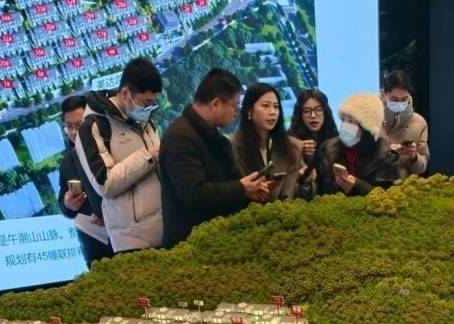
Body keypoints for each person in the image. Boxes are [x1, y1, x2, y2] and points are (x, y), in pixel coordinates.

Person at [160, 69, 269, 248]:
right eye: (235, 106)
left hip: (219, 239)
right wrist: (241, 187)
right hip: (192, 245)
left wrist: (249, 190)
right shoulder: (180, 137)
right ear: (216, 103)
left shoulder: (212, 135)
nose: (236, 113)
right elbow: (195, 194)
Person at [76, 57, 163, 253]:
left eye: (153, 103)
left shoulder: (144, 119)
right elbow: (105, 184)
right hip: (133, 241)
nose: (149, 108)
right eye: (146, 102)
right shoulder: (94, 127)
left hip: (164, 228)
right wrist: (148, 157)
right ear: (125, 93)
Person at [57, 95, 113, 267]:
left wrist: (108, 216)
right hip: (94, 246)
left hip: (123, 234)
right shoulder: (67, 161)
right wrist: (68, 205)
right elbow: (63, 203)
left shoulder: (110, 148)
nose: (74, 132)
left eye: (79, 125)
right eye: (69, 126)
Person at [315, 92, 400, 196]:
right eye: (343, 120)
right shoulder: (328, 148)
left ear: (367, 128)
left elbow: (389, 197)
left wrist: (358, 187)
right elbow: (319, 189)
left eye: (351, 121)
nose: (345, 125)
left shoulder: (384, 156)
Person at [231, 83, 303, 201]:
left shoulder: (293, 147)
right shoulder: (231, 147)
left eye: (276, 106)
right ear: (249, 110)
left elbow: (294, 192)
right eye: (266, 106)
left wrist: (303, 177)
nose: (273, 112)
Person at [381, 70, 429, 179]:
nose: (399, 103)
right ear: (385, 94)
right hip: (374, 185)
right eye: (394, 99)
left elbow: (422, 167)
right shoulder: (372, 120)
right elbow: (362, 161)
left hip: (405, 186)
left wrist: (414, 156)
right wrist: (388, 153)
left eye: (404, 99)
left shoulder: (419, 122)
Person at [289, 88, 338, 165]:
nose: (313, 115)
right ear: (299, 115)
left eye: (319, 110)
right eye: (307, 111)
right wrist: (298, 152)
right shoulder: (290, 142)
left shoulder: (336, 141)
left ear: (325, 113)